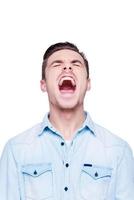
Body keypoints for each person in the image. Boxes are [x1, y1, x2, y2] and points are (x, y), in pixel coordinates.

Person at [0, 42, 134, 200]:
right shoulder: (16, 150)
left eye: (76, 64)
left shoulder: (118, 150)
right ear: (43, 85)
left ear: (88, 83)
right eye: (57, 64)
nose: (67, 68)